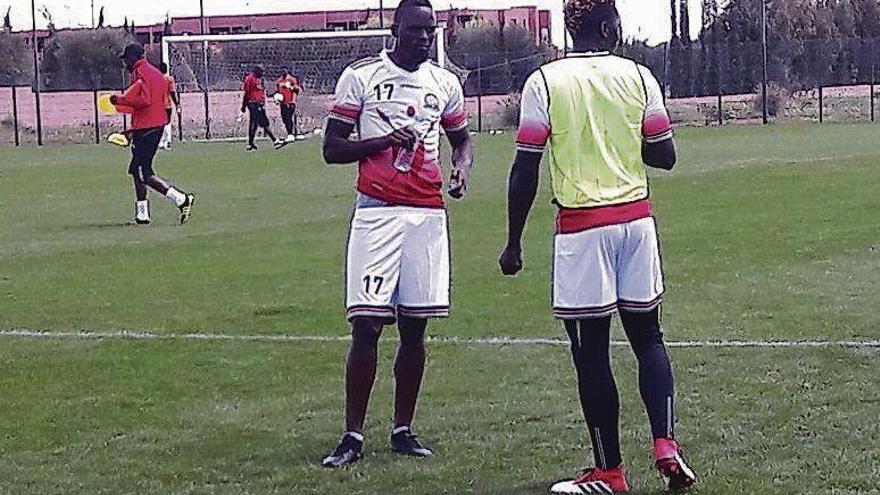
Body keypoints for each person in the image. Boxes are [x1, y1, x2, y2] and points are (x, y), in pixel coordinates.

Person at [498, 1, 697, 493]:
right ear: (610, 28)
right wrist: (623, 136)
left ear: (571, 29)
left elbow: (526, 167)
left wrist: (513, 242)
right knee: (649, 338)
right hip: (636, 223)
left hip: (583, 229)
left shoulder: (545, 82)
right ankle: (665, 443)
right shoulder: (639, 77)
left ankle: (609, 472)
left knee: (591, 352)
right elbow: (665, 155)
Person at [319, 0, 474, 469]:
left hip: (427, 216)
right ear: (395, 29)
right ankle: (352, 435)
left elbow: (462, 139)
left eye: (430, 31)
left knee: (415, 327)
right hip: (377, 214)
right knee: (366, 326)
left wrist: (461, 168)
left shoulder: (444, 84)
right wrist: (384, 141)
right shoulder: (362, 77)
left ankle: (402, 429)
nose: (424, 38)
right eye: (415, 31)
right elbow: (332, 148)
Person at [110, 43, 195, 225]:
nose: (125, 62)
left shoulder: (139, 72)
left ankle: (181, 199)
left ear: (134, 58)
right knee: (136, 170)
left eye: (126, 58)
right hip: (152, 126)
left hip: (147, 128)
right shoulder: (156, 73)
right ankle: (142, 214)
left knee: (144, 173)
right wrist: (132, 131)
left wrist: (119, 100)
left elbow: (143, 100)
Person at [241, 65, 283, 151]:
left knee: (256, 123)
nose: (262, 74)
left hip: (259, 104)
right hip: (253, 104)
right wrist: (243, 106)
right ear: (256, 71)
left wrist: (266, 100)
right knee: (262, 123)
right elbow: (247, 93)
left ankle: (251, 143)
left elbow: (261, 92)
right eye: (261, 72)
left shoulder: (260, 80)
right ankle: (275, 141)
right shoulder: (249, 79)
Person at [275, 68, 302, 143]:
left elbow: (297, 90)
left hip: (290, 101)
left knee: (288, 117)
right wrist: (277, 98)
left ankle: (291, 134)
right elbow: (277, 91)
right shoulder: (279, 81)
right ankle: (291, 133)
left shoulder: (291, 79)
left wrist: (290, 87)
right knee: (284, 119)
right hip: (283, 102)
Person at [157, 62, 179, 151]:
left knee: (160, 123)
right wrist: (177, 103)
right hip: (167, 105)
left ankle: (162, 142)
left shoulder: (156, 79)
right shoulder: (169, 79)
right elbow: (172, 92)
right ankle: (163, 142)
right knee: (166, 123)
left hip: (157, 105)